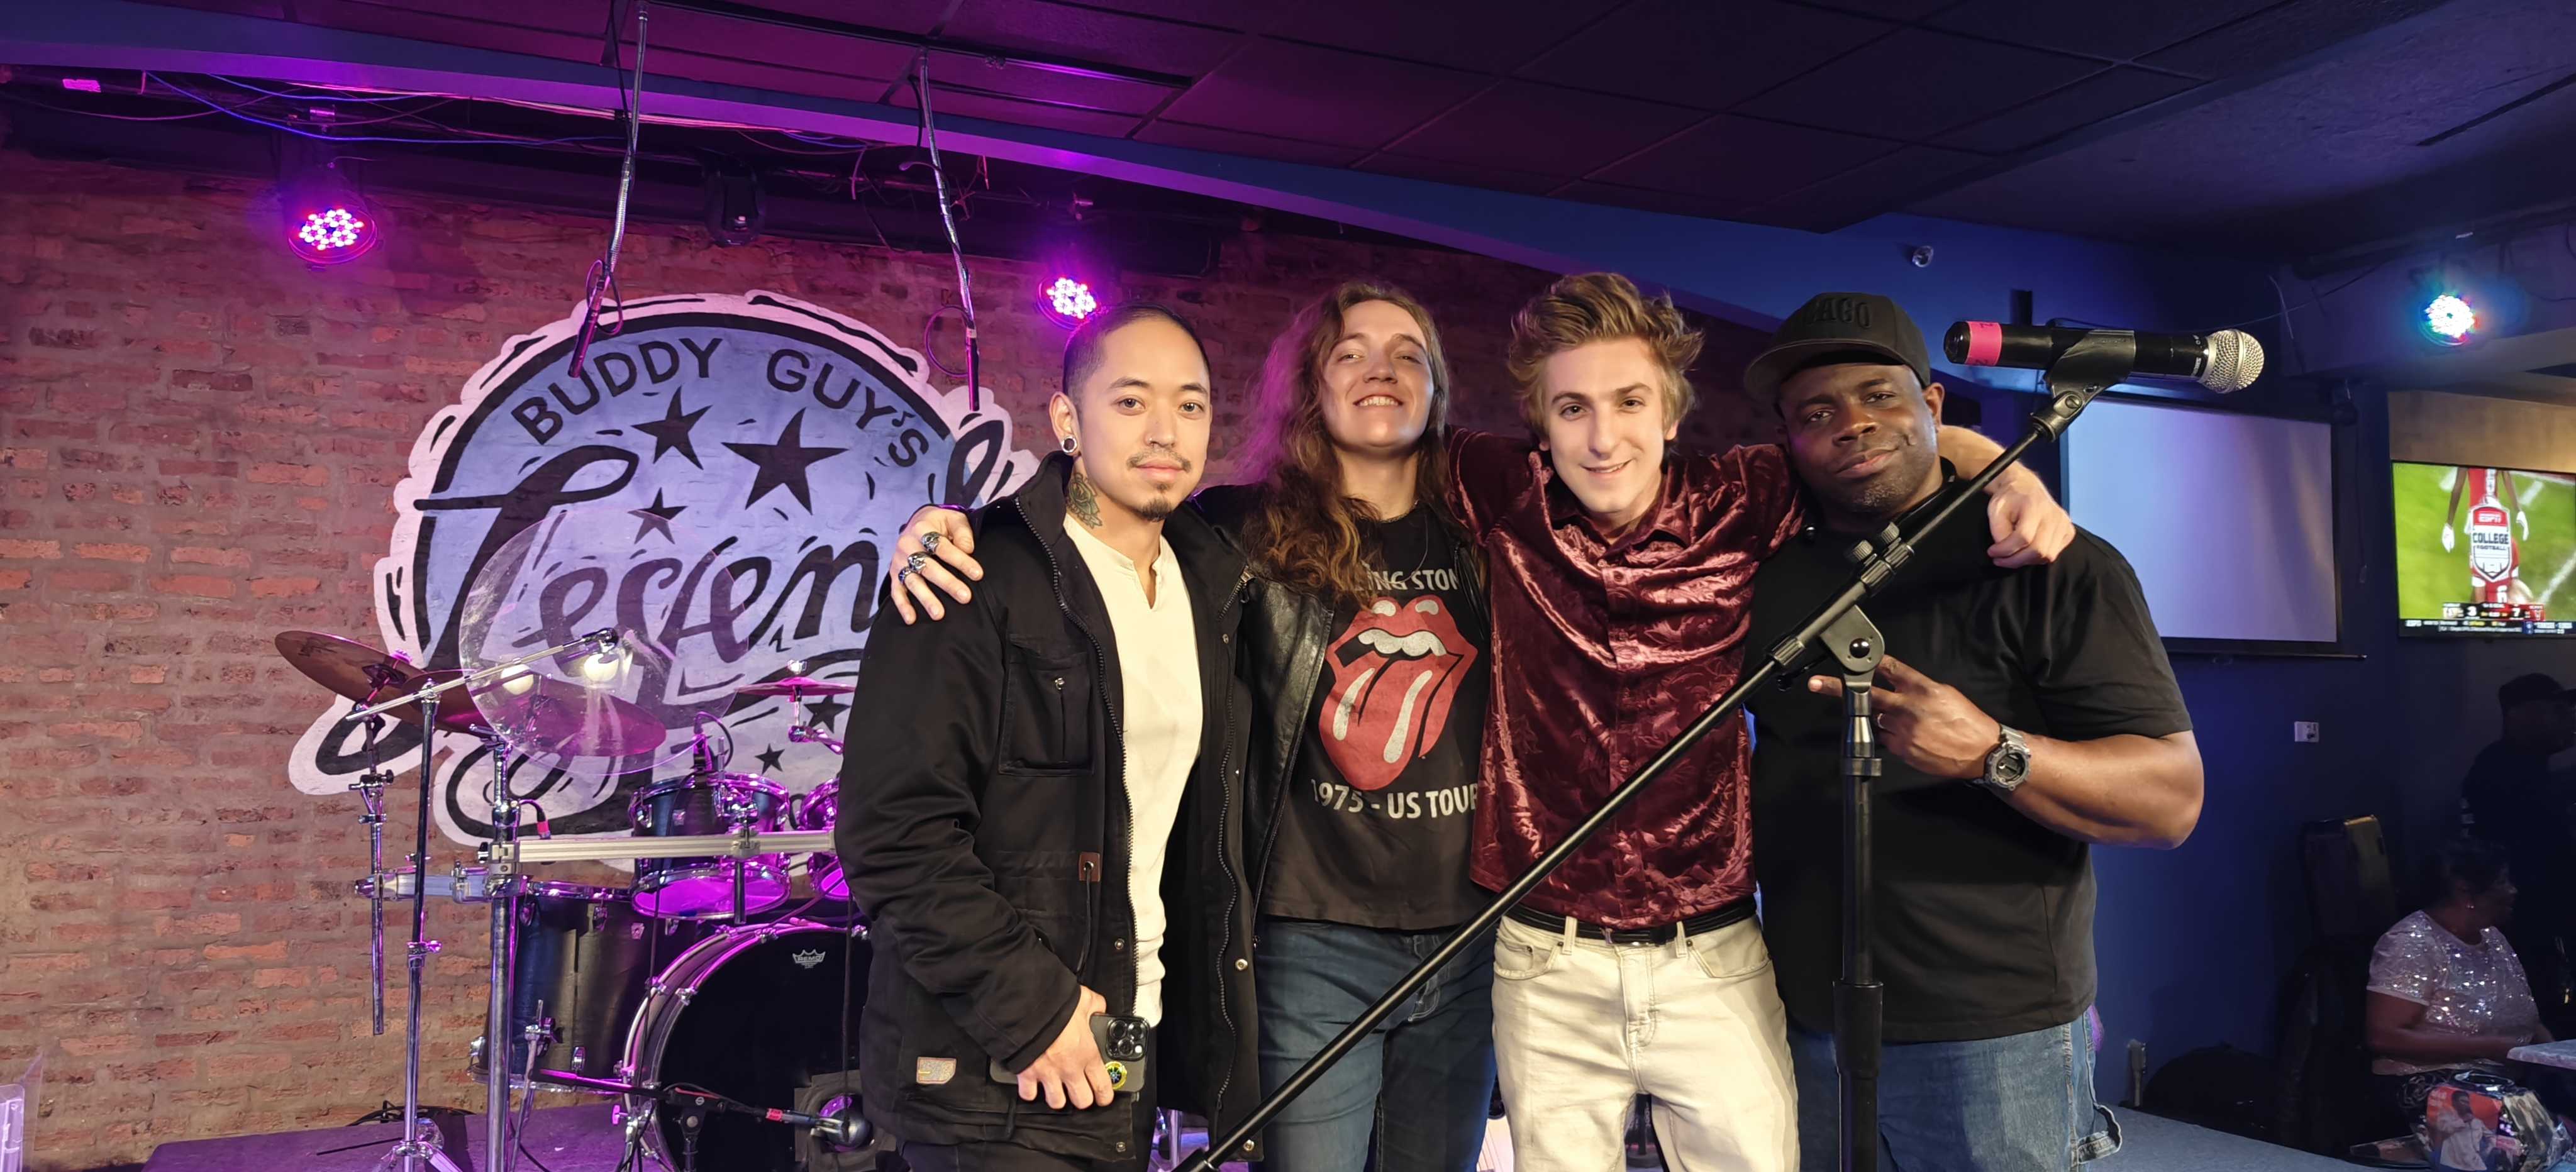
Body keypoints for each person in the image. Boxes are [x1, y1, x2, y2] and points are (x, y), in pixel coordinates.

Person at [889, 274, 2074, 1171]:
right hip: (1411, 944)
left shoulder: (1605, 497)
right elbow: (1110, 518)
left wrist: (1994, 461)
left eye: (1408, 350)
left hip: (1585, 938)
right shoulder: (1282, 525)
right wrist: (966, 527)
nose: (1600, 434)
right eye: (1350, 351)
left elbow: (1865, 454)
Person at [1458, 276, 2070, 1172]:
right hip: (1546, 954)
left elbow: (1907, 444)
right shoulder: (1498, 490)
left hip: (1711, 949)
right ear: (1539, 427)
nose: (1601, 436)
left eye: (1629, 403)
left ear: (1671, 414)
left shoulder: (1747, 494)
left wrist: (2011, 474)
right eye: (1572, 408)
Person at [889, 281, 1502, 1171]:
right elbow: (1083, 526)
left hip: (1466, 940)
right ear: (1308, 388)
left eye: (1409, 354)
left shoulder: (1494, 541)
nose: (1383, 370)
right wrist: (945, 530)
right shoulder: (1232, 536)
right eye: (1350, 352)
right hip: (1307, 942)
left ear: (1440, 389)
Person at [1737, 292, 2204, 1172]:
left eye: (1882, 396)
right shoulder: (1765, 564)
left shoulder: (2050, 562)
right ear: (1787, 439)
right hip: (1803, 1018)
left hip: (1994, 1036)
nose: (1854, 425)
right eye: (1818, 412)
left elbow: (2172, 800)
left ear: (1934, 404)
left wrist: (1995, 751)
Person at [835, 304, 1262, 1170]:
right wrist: (1035, 1013)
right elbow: (894, 835)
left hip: (1125, 1036)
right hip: (998, 1064)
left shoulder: (1214, 580)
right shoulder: (972, 572)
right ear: (1067, 419)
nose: (1165, 431)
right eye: (1132, 401)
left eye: (1191, 405)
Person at [2366, 836, 2568, 1124]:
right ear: (2466, 894)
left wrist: (2556, 1059)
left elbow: (2527, 1019)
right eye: (2502, 882)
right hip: (2433, 1085)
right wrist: (2487, 1047)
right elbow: (2383, 1036)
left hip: (2503, 1078)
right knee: (2549, 1131)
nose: (2513, 891)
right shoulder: (2411, 943)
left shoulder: (2493, 938)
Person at [2462, 673, 2576, 1035]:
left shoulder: (2529, 768)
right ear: (2521, 714)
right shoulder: (2500, 771)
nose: (2569, 719)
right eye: (2557, 710)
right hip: (2526, 920)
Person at [2443, 467, 2531, 607]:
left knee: (2480, 577)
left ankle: (2474, 616)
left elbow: (2458, 487)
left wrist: (2449, 524)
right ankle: (2476, 615)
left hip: (2479, 518)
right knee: (2487, 575)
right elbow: (2507, 477)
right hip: (2494, 515)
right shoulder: (2495, 450)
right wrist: (2519, 511)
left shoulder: (2469, 452)